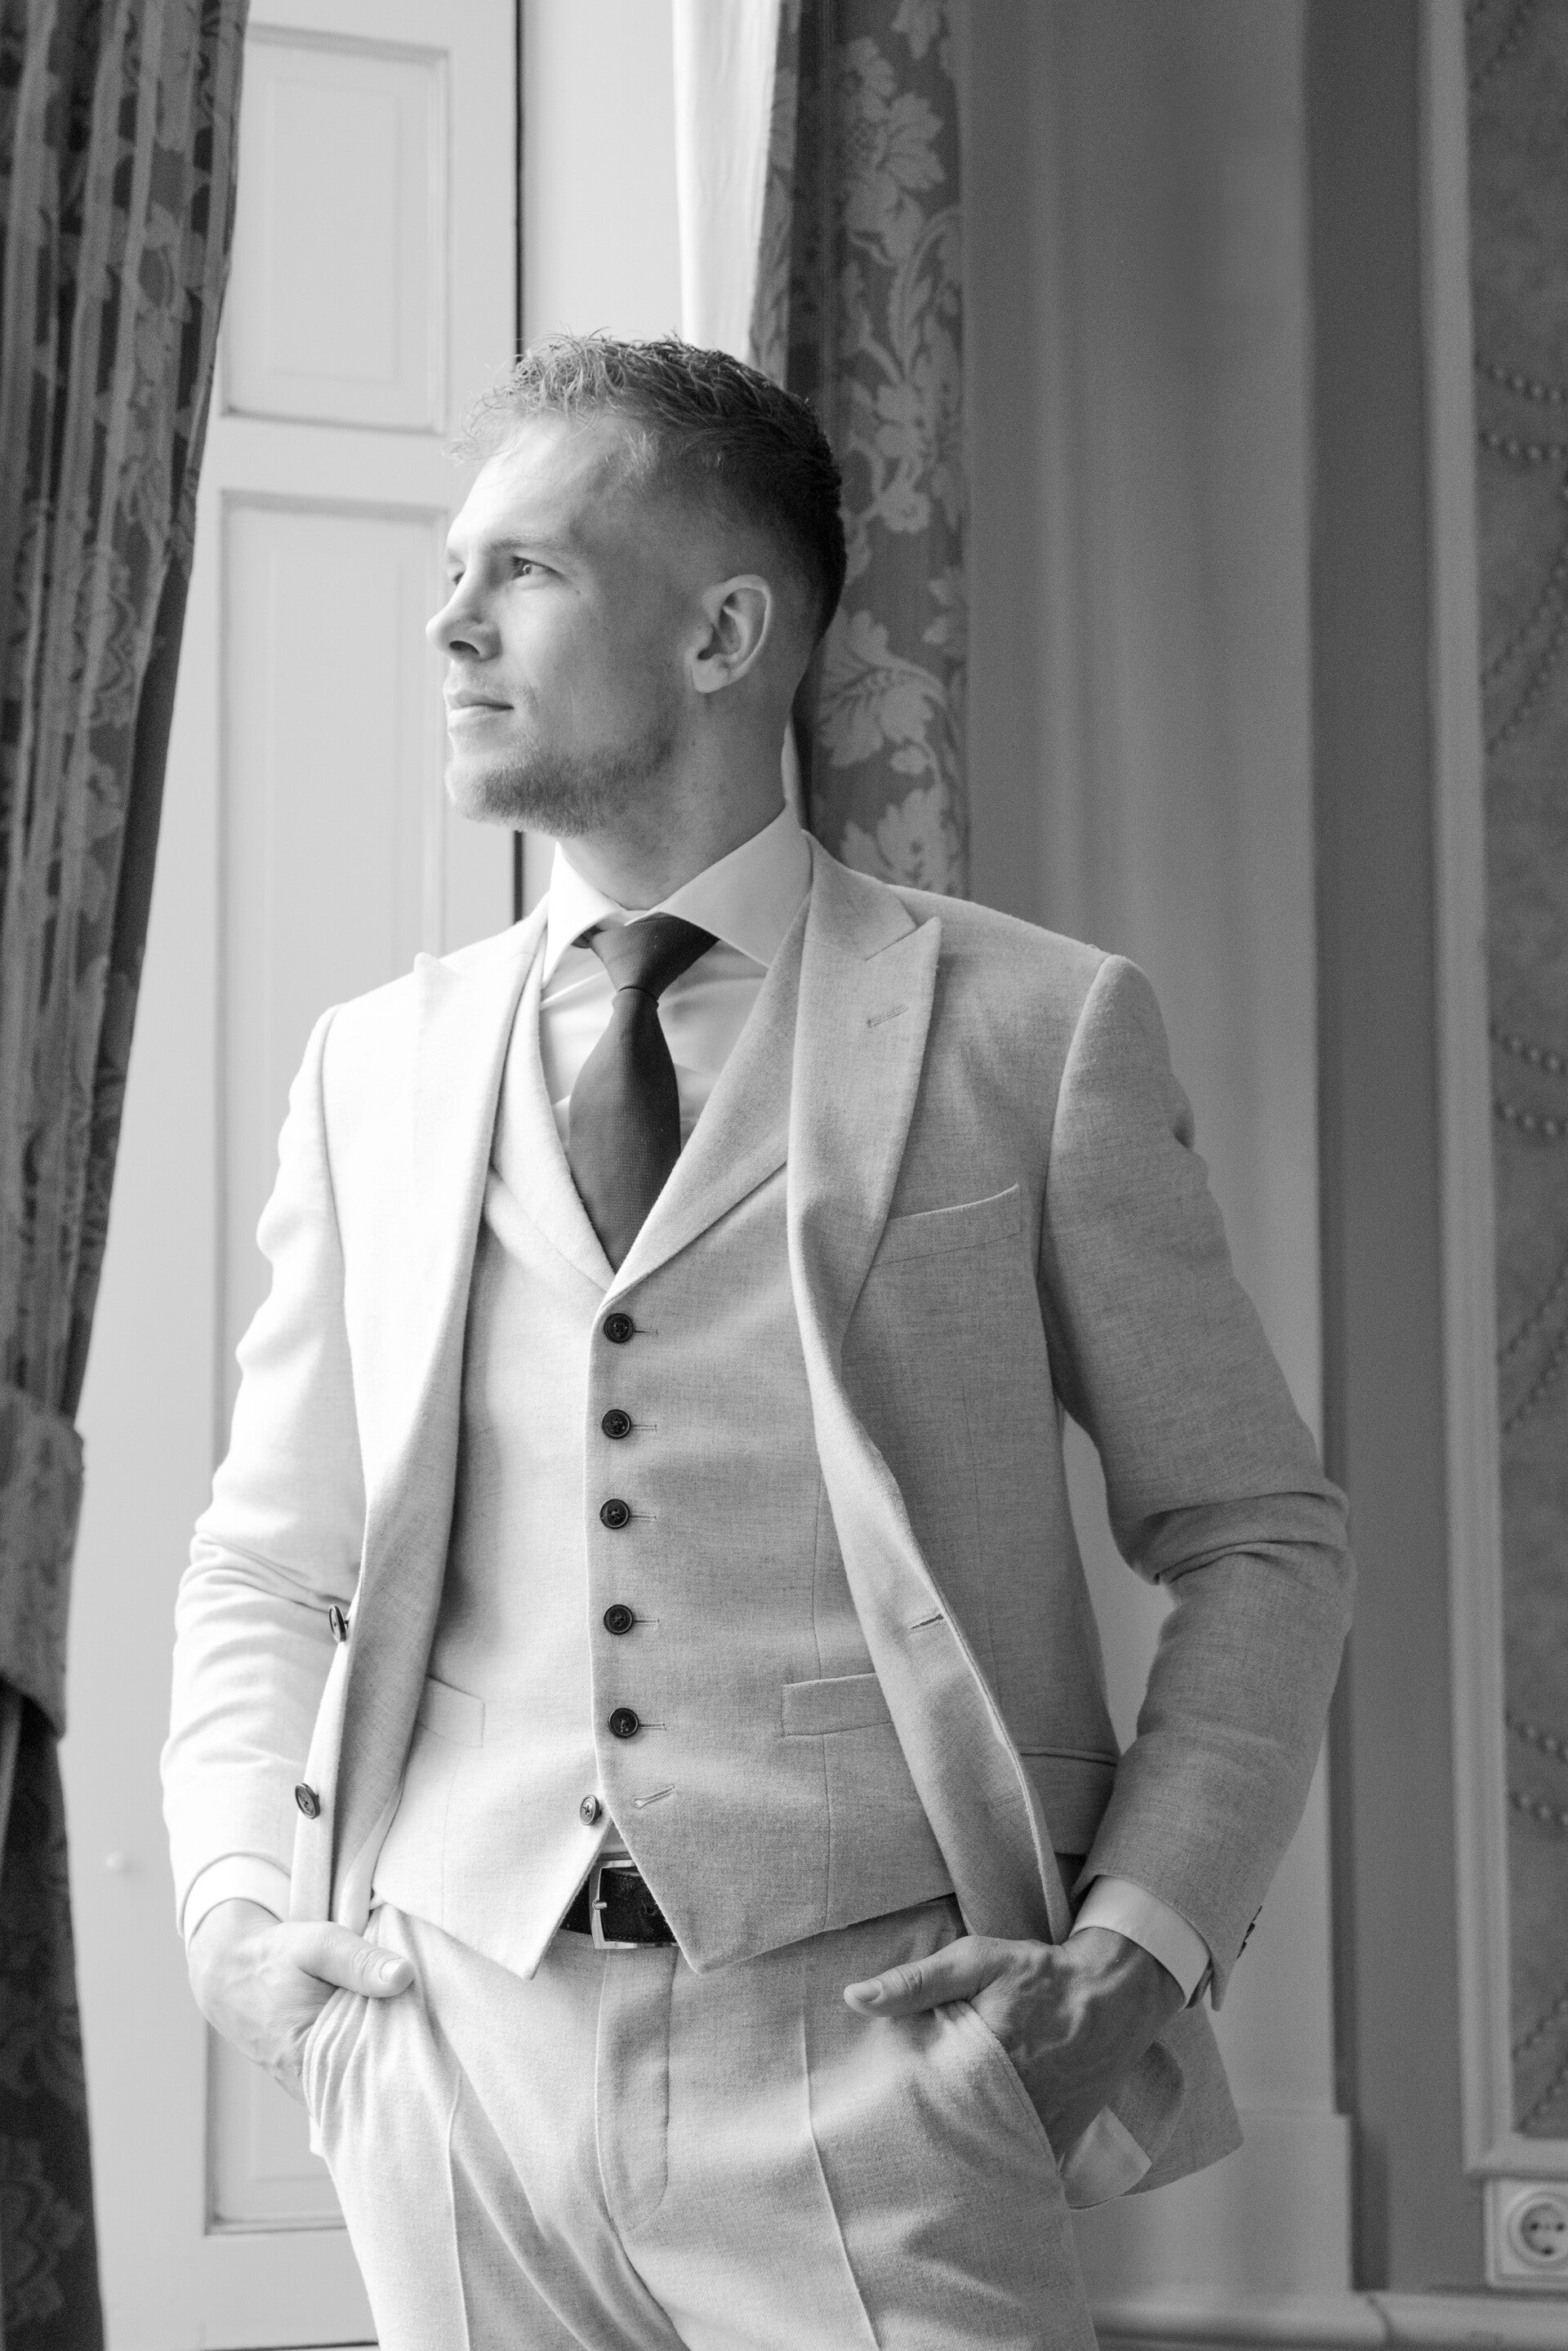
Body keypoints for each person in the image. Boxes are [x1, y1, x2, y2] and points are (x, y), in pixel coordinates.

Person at [163, 335, 1352, 2351]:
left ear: (724, 635)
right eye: (454, 571)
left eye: (525, 571)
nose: (450, 622)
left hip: (875, 2070)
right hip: (449, 2052)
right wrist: (235, 1926)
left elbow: (1260, 1535)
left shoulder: (1031, 1029)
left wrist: (1136, 1951)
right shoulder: (379, 1064)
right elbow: (269, 1559)